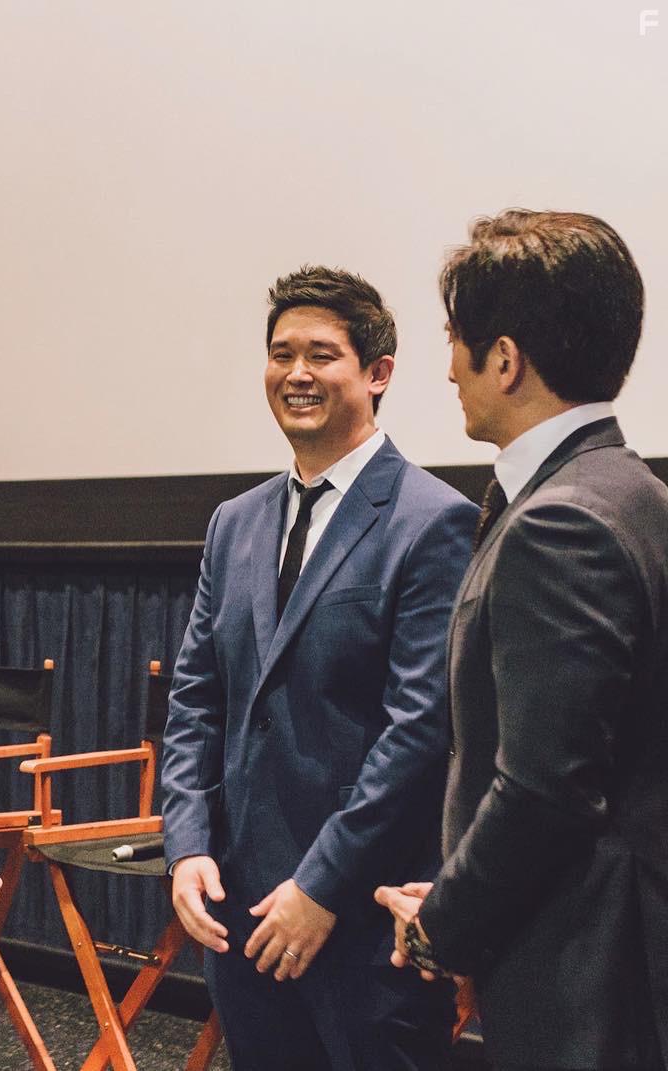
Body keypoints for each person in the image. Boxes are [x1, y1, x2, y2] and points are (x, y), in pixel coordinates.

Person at [160, 267, 478, 1069]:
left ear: (378, 372)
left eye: (322, 354)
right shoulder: (233, 522)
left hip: (363, 920)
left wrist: (321, 887)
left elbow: (419, 730)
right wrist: (188, 844)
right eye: (281, 353)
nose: (296, 373)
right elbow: (197, 698)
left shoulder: (434, 520)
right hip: (241, 911)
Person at [375, 210, 668, 1071]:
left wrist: (441, 926)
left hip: (588, 969)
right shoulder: (634, 492)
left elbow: (545, 787)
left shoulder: (559, 523)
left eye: (455, 342)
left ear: (504, 359)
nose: (448, 369)